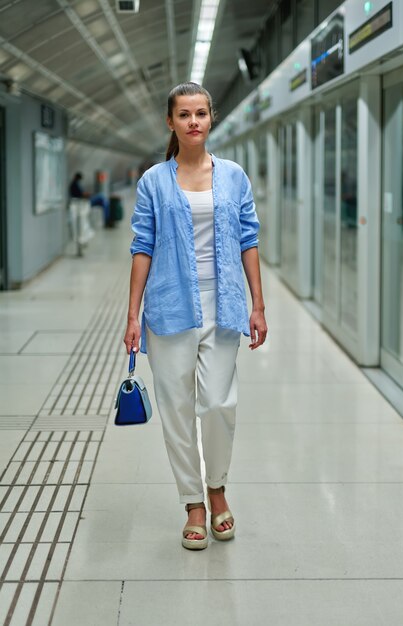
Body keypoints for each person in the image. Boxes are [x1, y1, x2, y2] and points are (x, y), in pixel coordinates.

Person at [123, 82, 267, 551]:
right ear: (171, 122)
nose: (193, 122)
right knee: (178, 411)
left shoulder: (234, 177)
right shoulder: (153, 181)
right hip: (168, 310)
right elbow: (142, 246)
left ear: (211, 118)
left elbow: (249, 240)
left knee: (220, 404)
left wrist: (258, 304)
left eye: (200, 113)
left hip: (224, 308)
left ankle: (218, 488)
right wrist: (132, 315)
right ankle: (194, 503)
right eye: (184, 115)